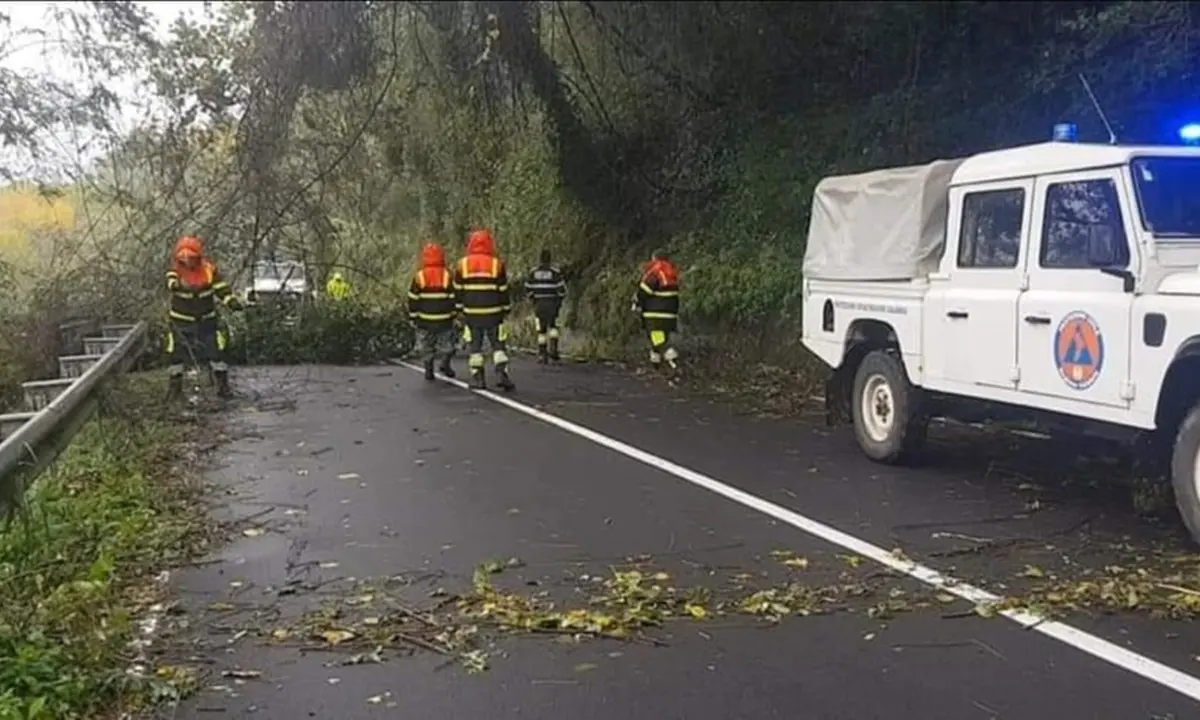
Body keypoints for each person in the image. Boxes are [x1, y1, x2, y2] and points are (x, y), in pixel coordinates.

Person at [165, 235, 243, 400]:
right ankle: (174, 390)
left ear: (198, 257)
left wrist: (232, 301)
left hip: (207, 321)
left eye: (191, 257)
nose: (188, 261)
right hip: (181, 322)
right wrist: (177, 285)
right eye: (184, 258)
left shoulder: (208, 270)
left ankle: (223, 388)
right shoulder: (175, 271)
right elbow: (171, 283)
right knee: (176, 355)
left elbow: (221, 288)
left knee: (216, 353)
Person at [453, 227, 515, 391]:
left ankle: (478, 378)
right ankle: (502, 374)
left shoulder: (462, 264)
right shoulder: (497, 264)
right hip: (494, 313)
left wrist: (458, 310)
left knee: (475, 347)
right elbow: (503, 290)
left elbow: (458, 290)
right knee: (498, 345)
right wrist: (505, 309)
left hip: (472, 313)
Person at [407, 242, 458, 381]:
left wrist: (413, 317)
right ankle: (445, 364)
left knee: (426, 346)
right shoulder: (447, 275)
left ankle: (429, 370)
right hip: (445, 320)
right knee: (448, 346)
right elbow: (453, 297)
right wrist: (454, 314)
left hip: (424, 320)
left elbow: (413, 299)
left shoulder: (419, 276)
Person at [632, 248, 681, 375]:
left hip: (654, 314)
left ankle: (672, 359)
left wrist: (637, 302)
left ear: (655, 259)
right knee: (659, 338)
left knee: (658, 339)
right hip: (670, 314)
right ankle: (657, 365)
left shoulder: (655, 273)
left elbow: (644, 292)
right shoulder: (672, 273)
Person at [524, 248, 567, 363]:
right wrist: (559, 301)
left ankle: (542, 354)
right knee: (553, 326)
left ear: (540, 259)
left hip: (539, 304)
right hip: (552, 303)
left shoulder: (533, 272)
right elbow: (562, 290)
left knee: (541, 330)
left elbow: (527, 288)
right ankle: (554, 350)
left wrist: (533, 299)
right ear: (550, 259)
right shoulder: (555, 272)